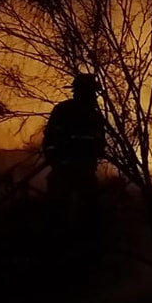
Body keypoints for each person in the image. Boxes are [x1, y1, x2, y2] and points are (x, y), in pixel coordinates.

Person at [42, 73, 107, 223]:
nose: (94, 97)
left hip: (83, 171)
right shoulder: (64, 111)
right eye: (92, 92)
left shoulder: (95, 116)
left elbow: (100, 143)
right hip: (64, 172)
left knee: (90, 214)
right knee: (58, 214)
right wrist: (57, 159)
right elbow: (50, 140)